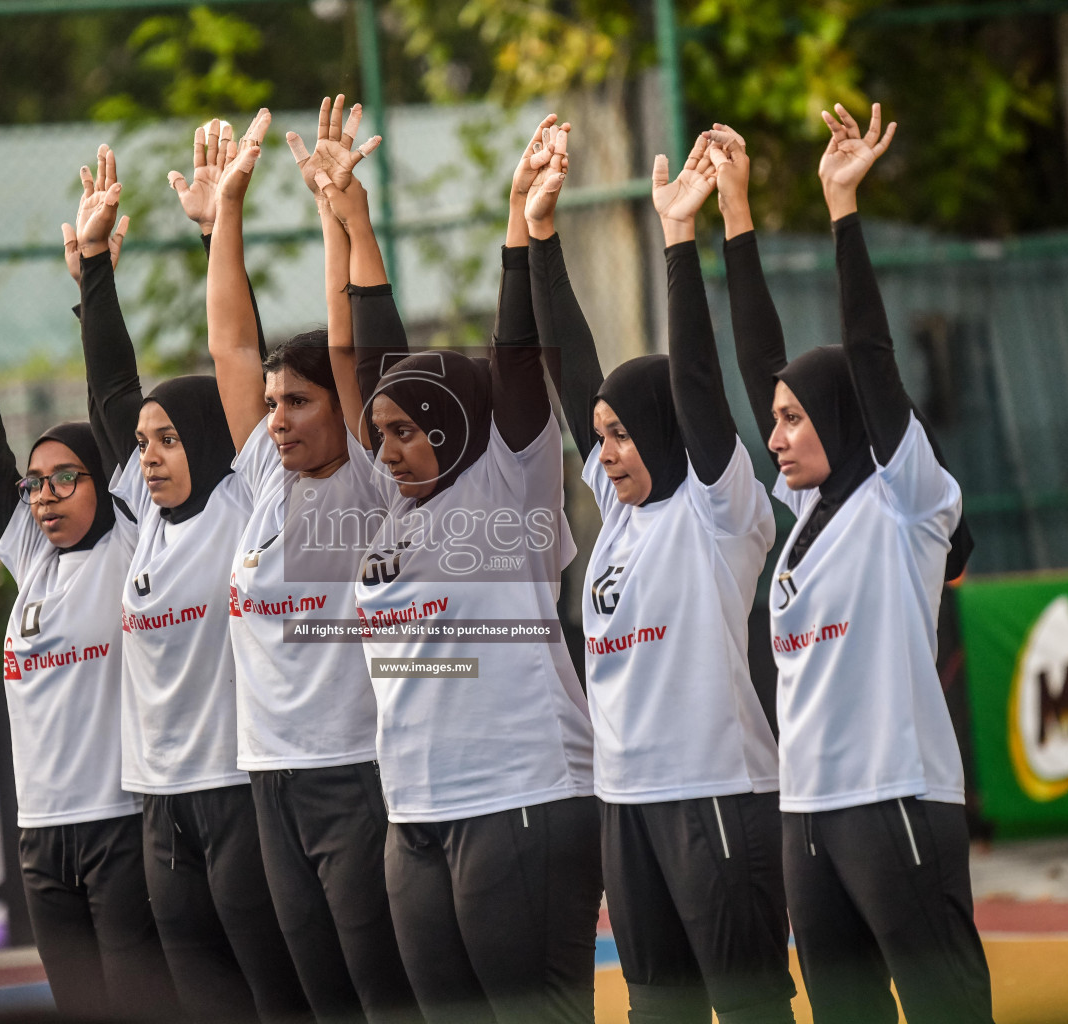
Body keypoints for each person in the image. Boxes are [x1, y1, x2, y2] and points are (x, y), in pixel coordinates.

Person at [316, 114, 600, 1024]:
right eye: (381, 433)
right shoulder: (391, 512)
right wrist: (354, 226)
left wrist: (519, 223)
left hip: (520, 797)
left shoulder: (509, 485)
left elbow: (515, 356)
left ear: (457, 424)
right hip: (417, 816)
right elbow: (382, 358)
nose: (387, 449)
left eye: (406, 432)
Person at [524, 123, 795, 1024]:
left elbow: (701, 387)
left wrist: (680, 235)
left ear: (666, 432)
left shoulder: (715, 507)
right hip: (626, 803)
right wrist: (538, 236)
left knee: (746, 1006)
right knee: (656, 1012)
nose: (605, 453)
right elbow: (572, 368)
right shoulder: (624, 513)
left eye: (622, 435)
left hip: (713, 795)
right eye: (599, 439)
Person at [726, 104, 991, 1024]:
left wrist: (842, 207)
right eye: (778, 420)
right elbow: (763, 362)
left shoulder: (902, 500)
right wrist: (735, 214)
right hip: (808, 813)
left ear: (843, 421)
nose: (777, 434)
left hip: (897, 799)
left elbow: (871, 360)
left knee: (942, 1006)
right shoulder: (803, 514)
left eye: (797, 419)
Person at [73, 130, 313, 1024]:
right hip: (159, 810)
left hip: (239, 795)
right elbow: (111, 396)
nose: (150, 456)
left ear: (209, 437)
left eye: (168, 439)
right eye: (144, 446)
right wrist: (93, 263)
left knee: (274, 996)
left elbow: (239, 358)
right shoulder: (141, 518)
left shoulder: (245, 501)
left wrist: (223, 232)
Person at [208, 100, 420, 1024]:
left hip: (355, 774)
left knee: (382, 995)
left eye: (297, 403)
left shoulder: (372, 483)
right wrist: (227, 212)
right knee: (319, 999)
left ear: (339, 410)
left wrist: (340, 218)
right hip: (269, 779)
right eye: (273, 405)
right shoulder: (262, 477)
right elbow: (230, 344)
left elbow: (347, 347)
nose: (279, 418)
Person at [0, 205, 177, 1020]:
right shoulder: (34, 562)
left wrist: (93, 285)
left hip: (121, 827)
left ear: (103, 481)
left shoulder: (130, 545)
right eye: (34, 484)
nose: (43, 496)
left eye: (63, 479)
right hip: (42, 839)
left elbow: (114, 399)